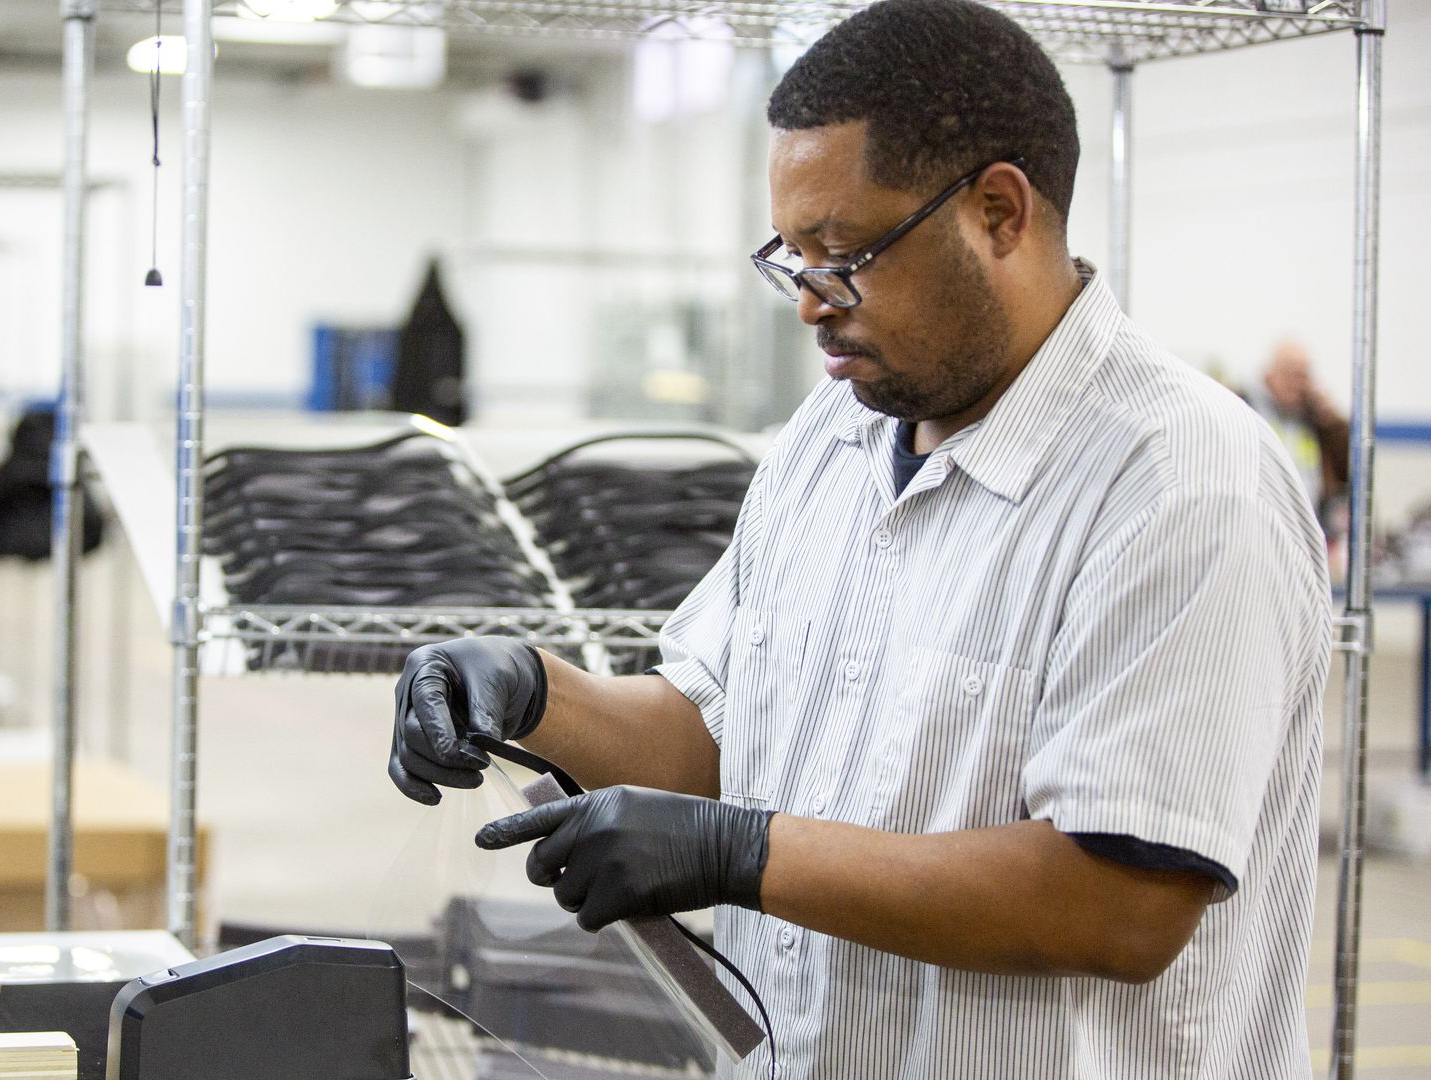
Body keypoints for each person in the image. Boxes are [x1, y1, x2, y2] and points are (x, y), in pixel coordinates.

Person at [384, 2, 1328, 1077]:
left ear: (1000, 212)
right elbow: (720, 734)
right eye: (790, 258)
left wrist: (745, 855)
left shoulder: (1180, 484)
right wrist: (536, 693)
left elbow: (1117, 904)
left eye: (844, 254)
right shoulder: (831, 439)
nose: (810, 304)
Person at [1247, 339, 1350, 514]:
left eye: (1303, 375)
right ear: (1269, 374)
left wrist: (1331, 422)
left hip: (1310, 521)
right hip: (1259, 518)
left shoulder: (1317, 419)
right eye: (1289, 373)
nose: (1296, 383)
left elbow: (1347, 467)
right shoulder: (1248, 409)